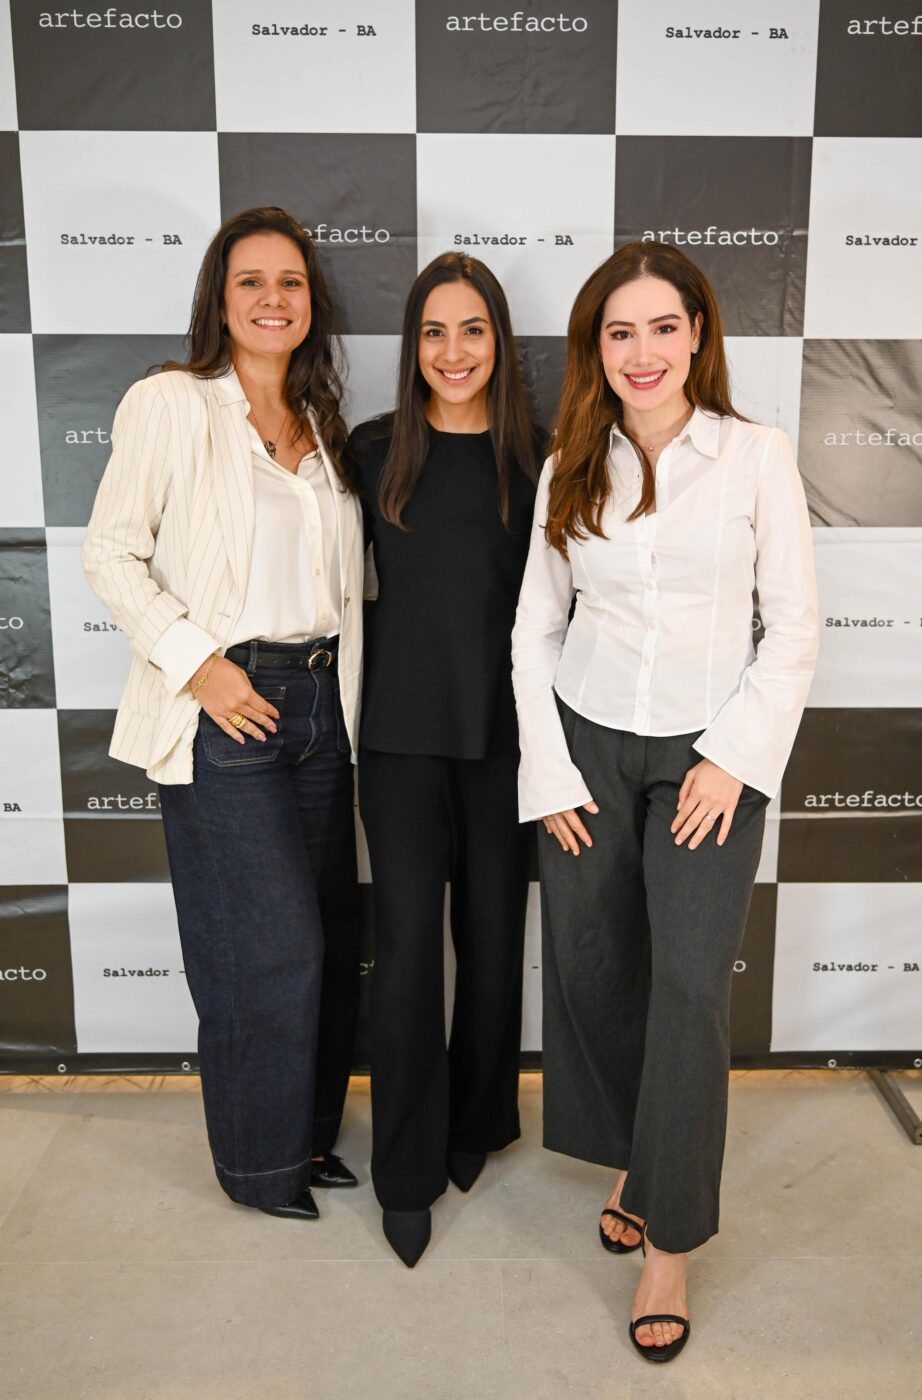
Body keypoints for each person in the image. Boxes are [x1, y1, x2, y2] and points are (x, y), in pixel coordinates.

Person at [512, 241, 818, 1361]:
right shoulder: (569, 464)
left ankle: (671, 1240)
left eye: (661, 326)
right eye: (618, 331)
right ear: (599, 346)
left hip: (708, 752)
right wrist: (546, 766)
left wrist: (733, 757)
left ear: (698, 332)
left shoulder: (753, 456)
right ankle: (638, 1159)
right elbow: (534, 629)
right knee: (594, 964)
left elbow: (791, 626)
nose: (642, 351)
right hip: (587, 739)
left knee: (688, 985)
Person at [82, 206, 364, 1219]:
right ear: (219, 298)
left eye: (290, 282)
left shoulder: (322, 424)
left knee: (326, 938)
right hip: (227, 703)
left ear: (310, 302)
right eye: (251, 281)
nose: (272, 298)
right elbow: (108, 551)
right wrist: (201, 666)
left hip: (321, 703)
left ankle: (306, 1139)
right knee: (264, 947)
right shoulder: (172, 403)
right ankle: (258, 1167)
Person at [348, 253, 543, 1267]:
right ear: (411, 344)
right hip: (396, 740)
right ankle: (407, 1169)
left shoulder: (541, 458)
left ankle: (476, 1122)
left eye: (473, 330)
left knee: (496, 940)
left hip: (509, 745)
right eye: (433, 330)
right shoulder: (371, 449)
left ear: (498, 341)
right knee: (413, 952)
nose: (453, 351)